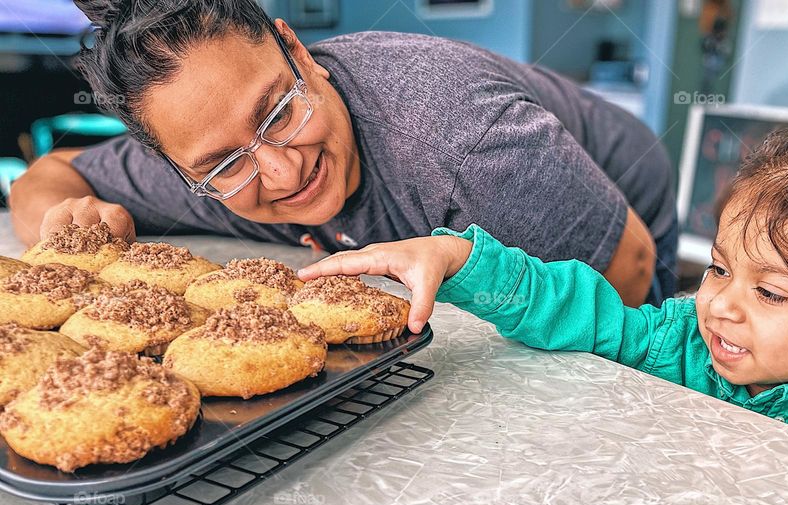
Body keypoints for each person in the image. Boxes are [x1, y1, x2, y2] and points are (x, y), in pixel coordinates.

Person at [297, 99, 788, 472]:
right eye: (721, 269)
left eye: (772, 293)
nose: (720, 303)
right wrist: (458, 259)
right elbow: (579, 309)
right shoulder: (675, 345)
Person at [9, 0, 678, 307]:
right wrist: (62, 223)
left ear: (298, 52)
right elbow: (45, 176)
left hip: (621, 207)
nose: (282, 169)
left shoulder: (460, 142)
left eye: (277, 112)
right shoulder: (191, 165)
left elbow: (628, 271)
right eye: (222, 166)